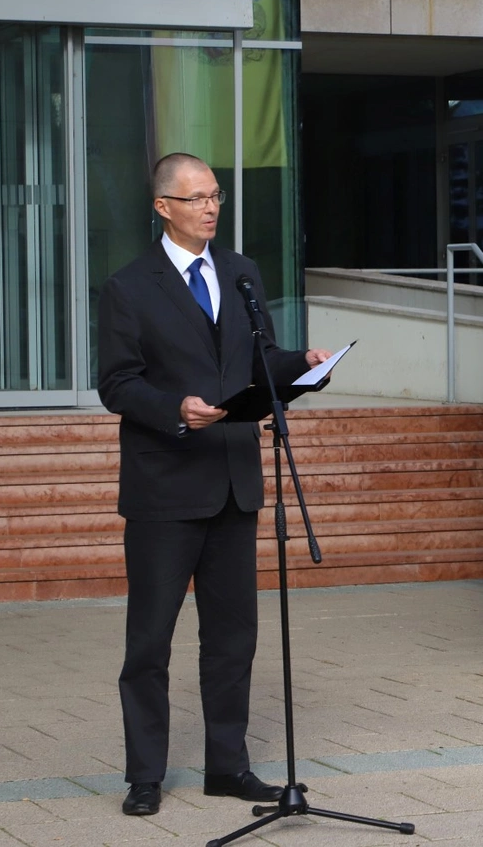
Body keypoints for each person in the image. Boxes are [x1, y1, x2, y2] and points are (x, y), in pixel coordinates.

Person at [97, 153, 331, 817]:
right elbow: (117, 382)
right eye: (195, 197)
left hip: (234, 480)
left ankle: (228, 765)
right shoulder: (128, 286)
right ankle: (145, 773)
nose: (210, 207)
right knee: (150, 641)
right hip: (166, 489)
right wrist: (176, 409)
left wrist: (304, 367)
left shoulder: (241, 273)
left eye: (216, 196)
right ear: (162, 206)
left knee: (233, 638)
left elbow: (260, 363)